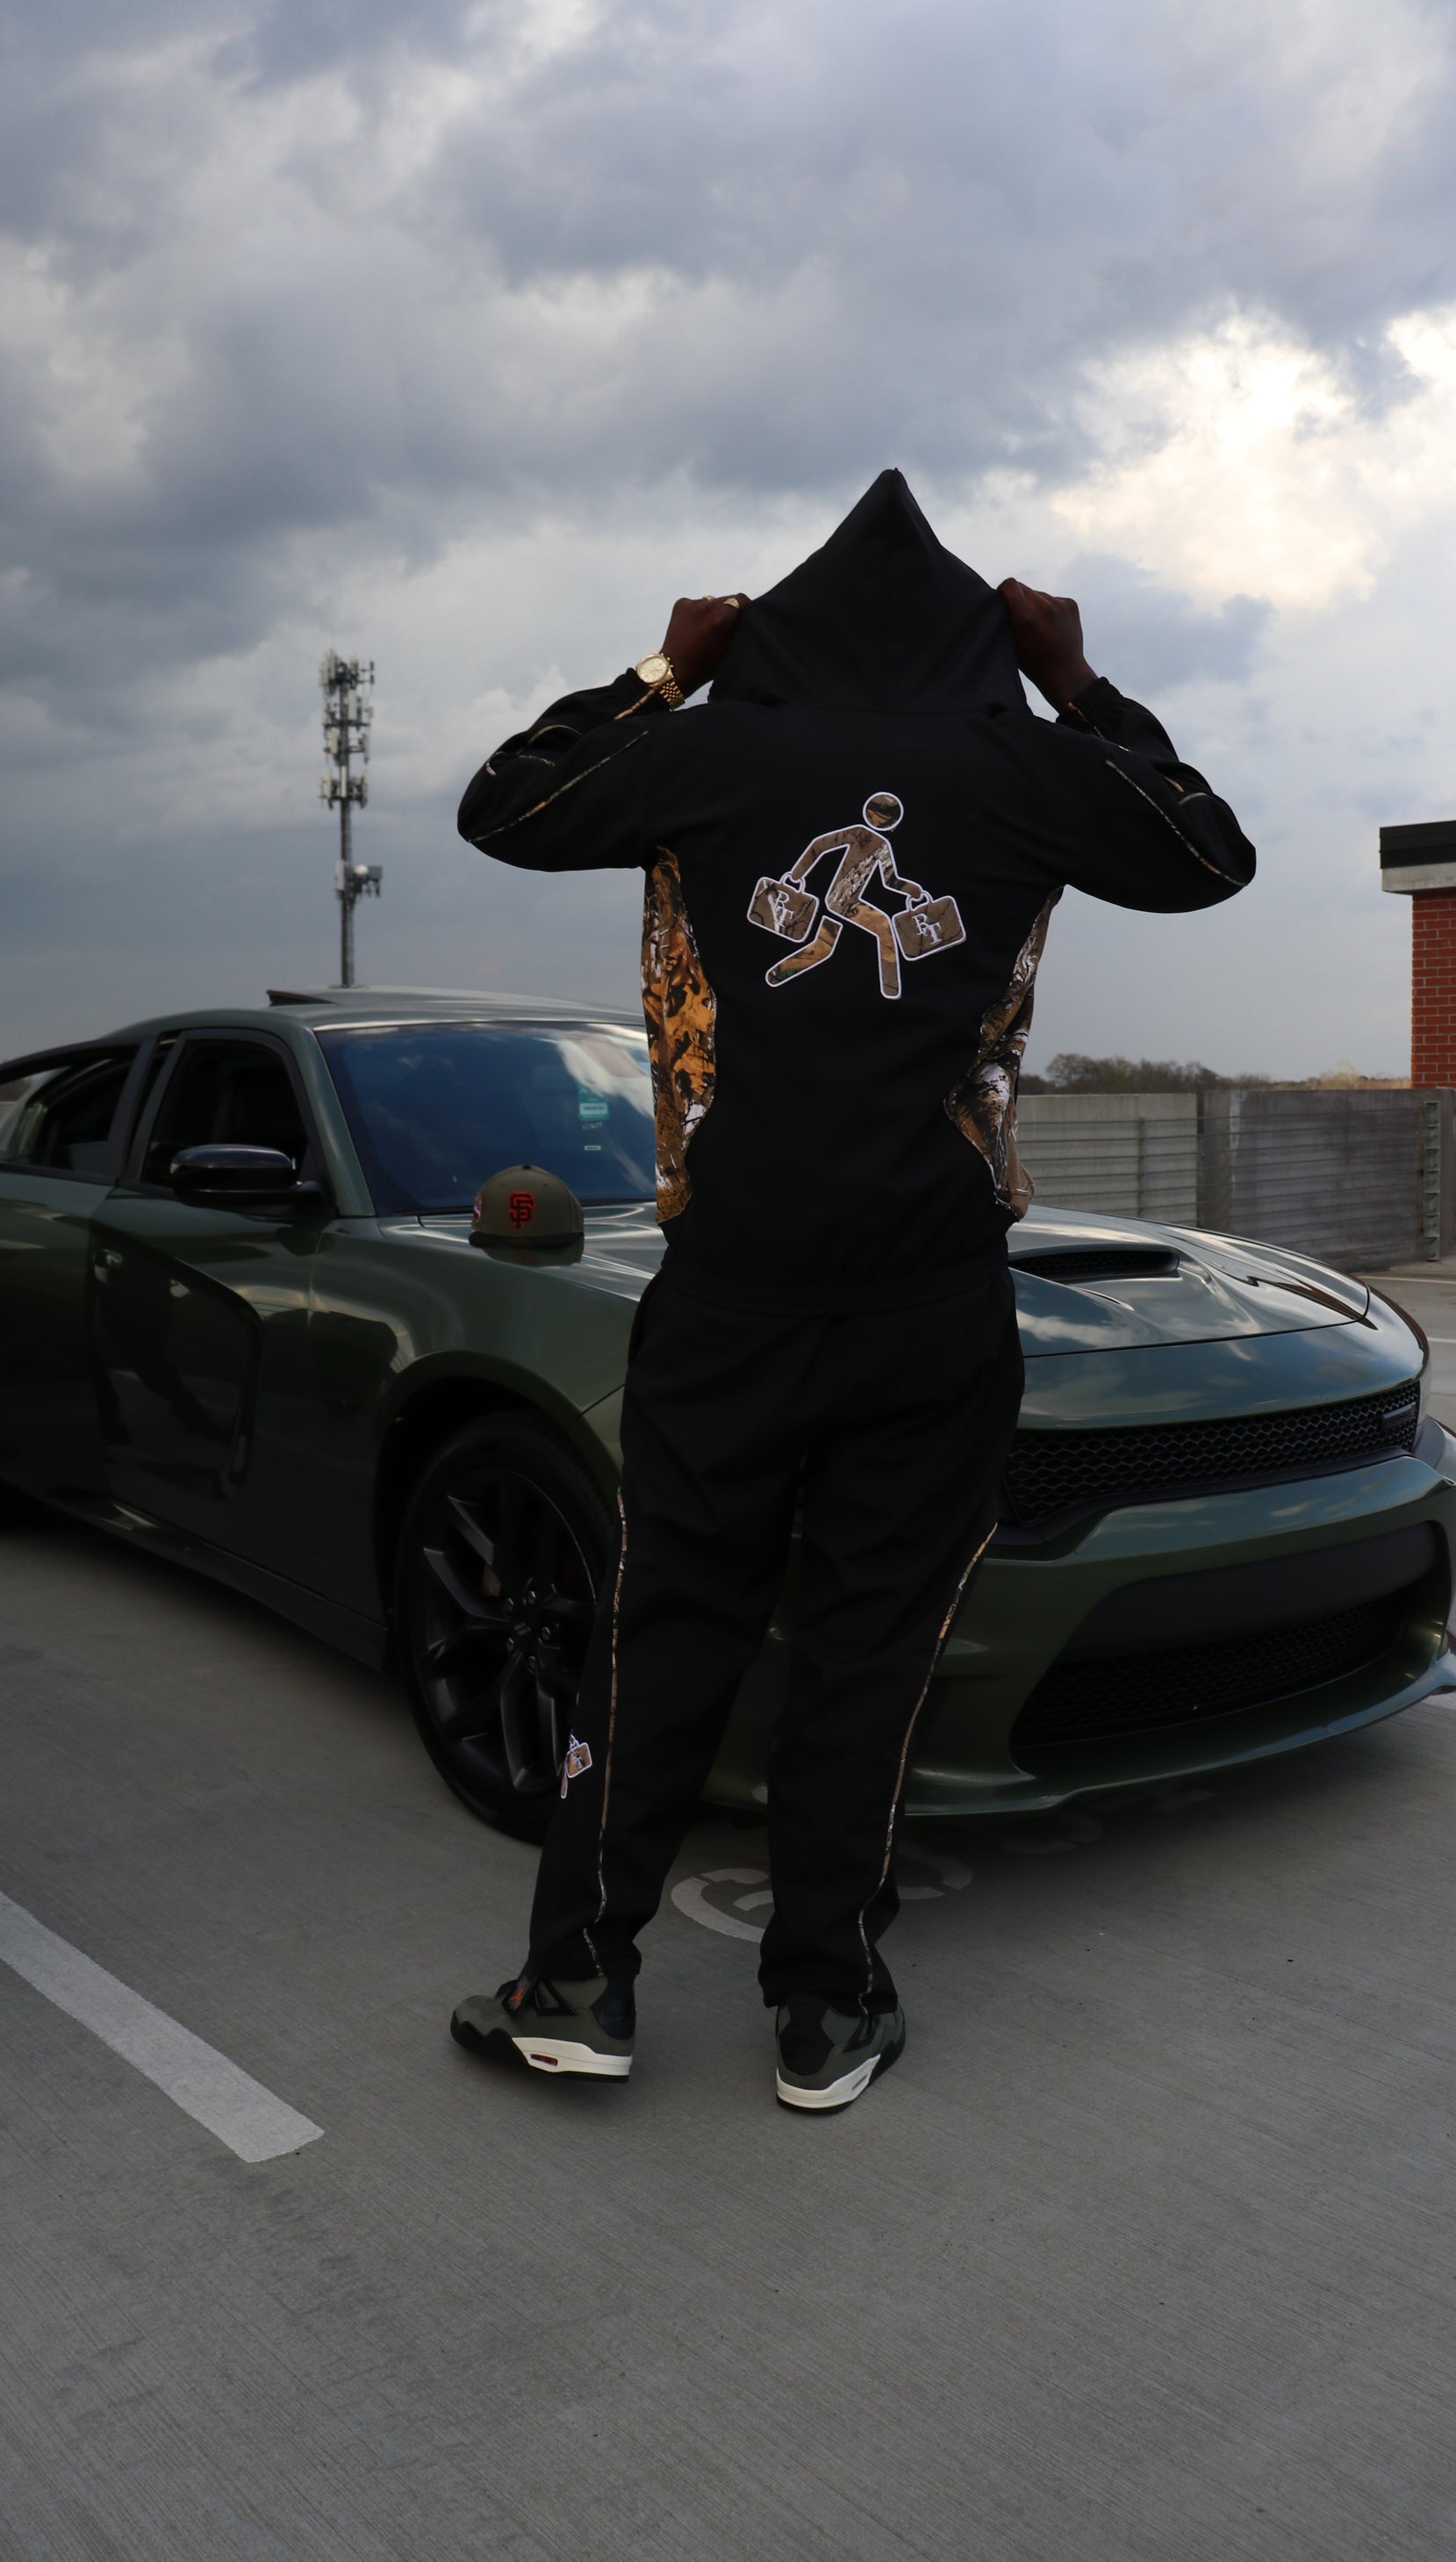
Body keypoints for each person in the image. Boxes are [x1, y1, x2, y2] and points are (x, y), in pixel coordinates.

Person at [447, 471, 1256, 2113]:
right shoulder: (1028, 765)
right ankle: (825, 2001)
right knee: (870, 1647)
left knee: (668, 1624)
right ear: (979, 642)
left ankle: (579, 1977)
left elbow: (505, 804)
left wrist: (663, 669)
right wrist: (1079, 684)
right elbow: (1205, 853)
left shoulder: (706, 751)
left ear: (778, 629)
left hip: (733, 1286)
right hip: (930, 1295)